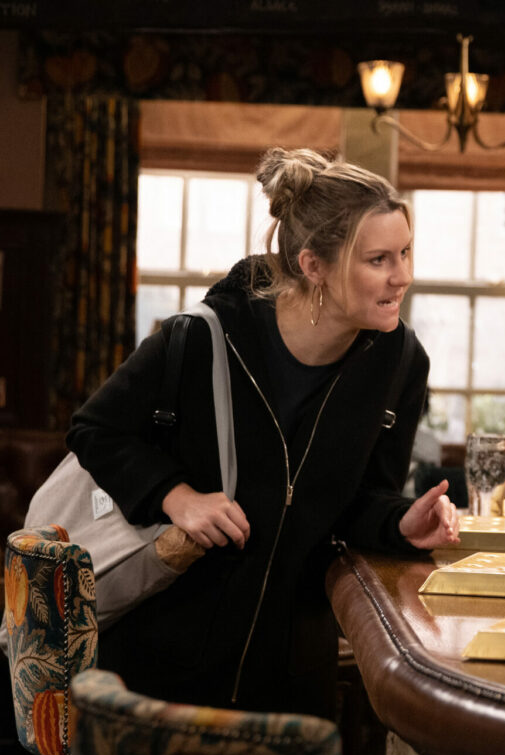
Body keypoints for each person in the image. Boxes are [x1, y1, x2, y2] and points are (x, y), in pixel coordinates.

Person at [68, 148, 459, 719]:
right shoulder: (203, 337)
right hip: (158, 665)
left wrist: (401, 521)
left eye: (404, 252)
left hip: (293, 676)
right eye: (378, 259)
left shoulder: (401, 362)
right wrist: (177, 496)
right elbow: (95, 428)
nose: (402, 276)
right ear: (312, 265)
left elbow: (360, 501)